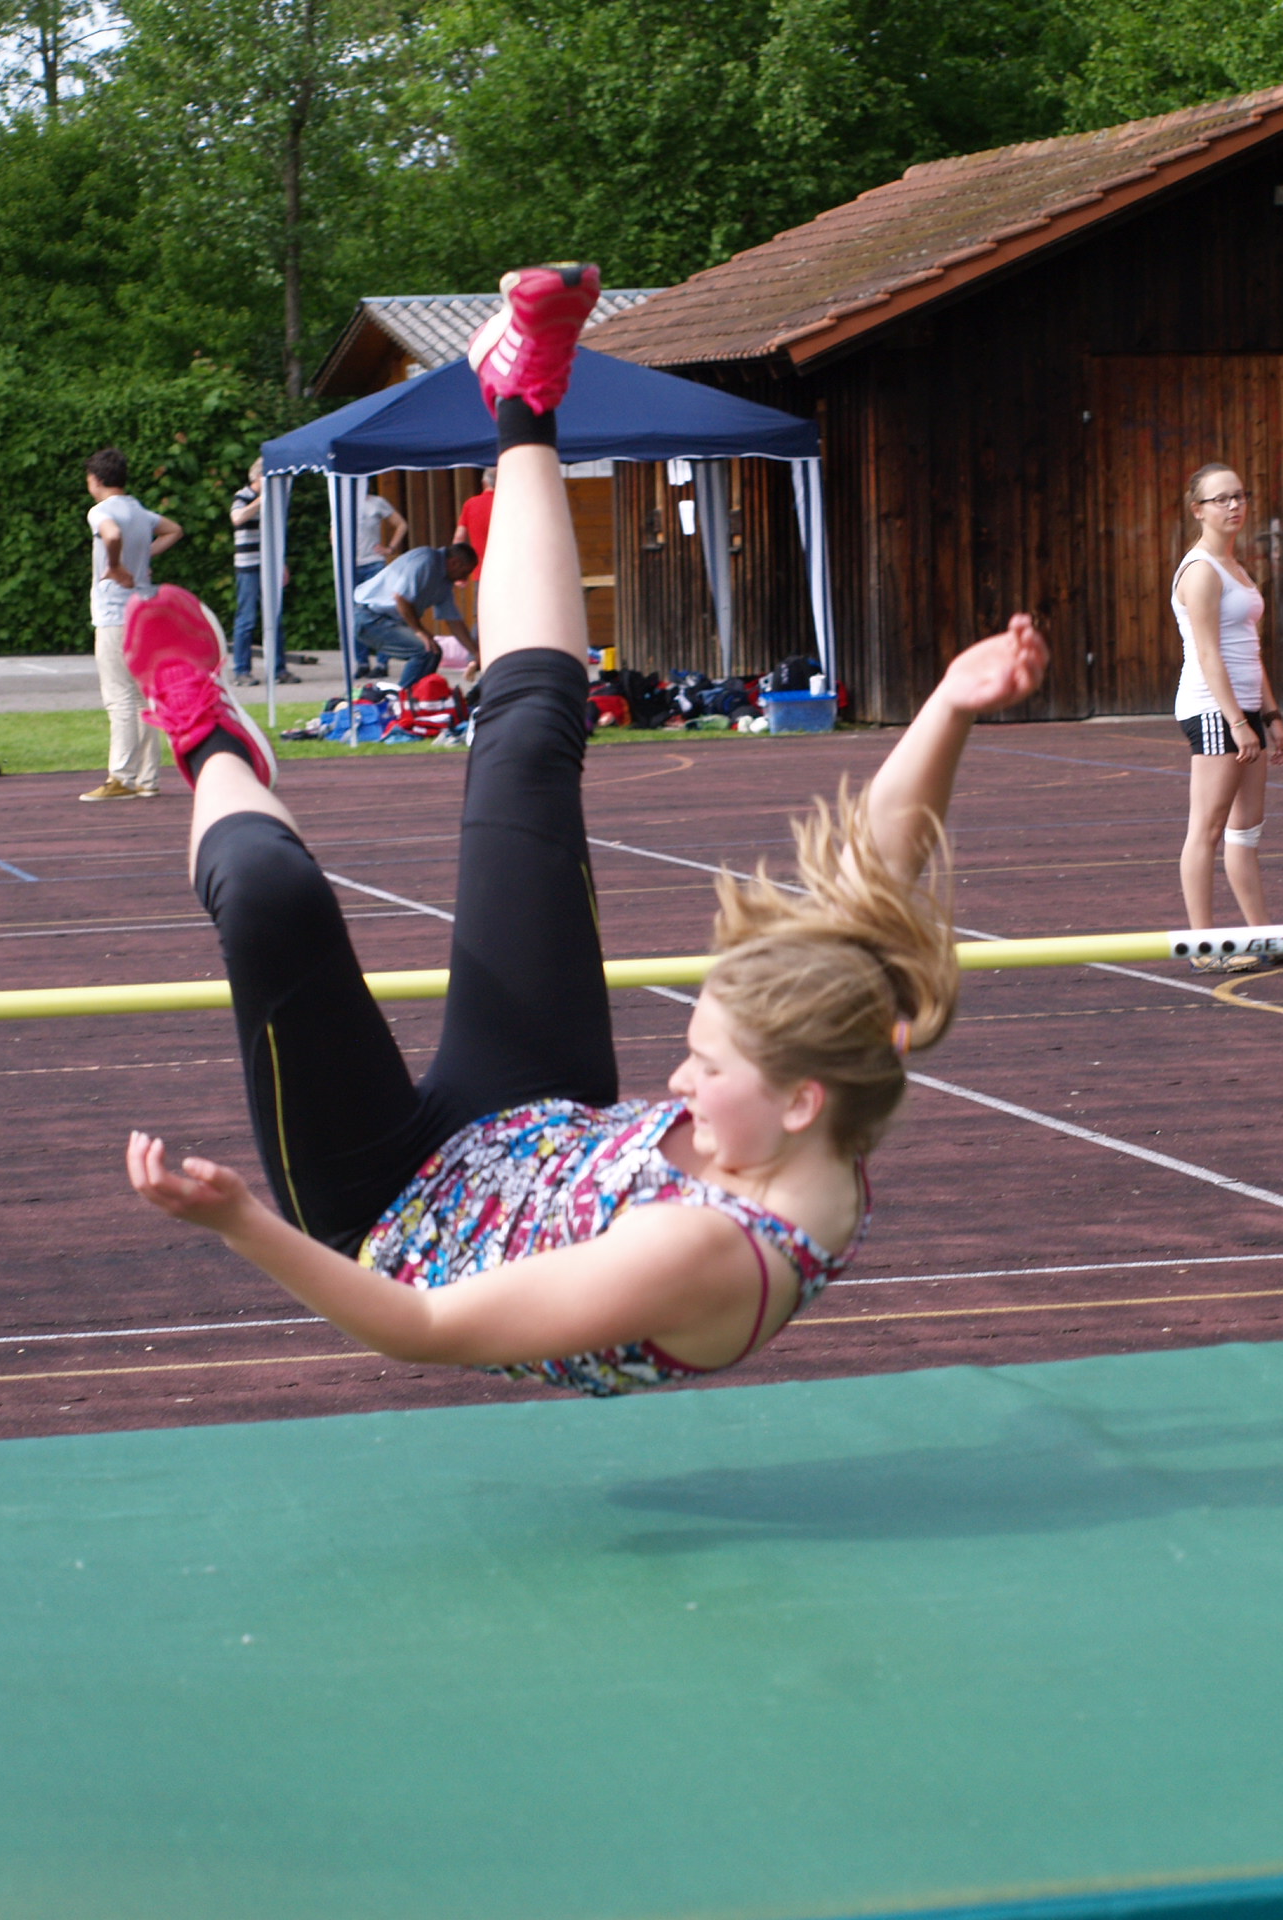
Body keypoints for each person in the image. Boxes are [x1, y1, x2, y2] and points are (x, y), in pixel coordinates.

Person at [123, 263, 1050, 1396]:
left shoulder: (704, 1248)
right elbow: (879, 874)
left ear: (797, 1101)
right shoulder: (838, 1080)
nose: (675, 1078)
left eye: (706, 1065)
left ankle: (207, 740)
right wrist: (951, 705)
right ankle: (523, 396)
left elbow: (421, 1325)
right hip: (534, 1122)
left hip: (389, 1214)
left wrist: (240, 1220)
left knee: (272, 897)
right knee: (529, 747)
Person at [1170, 462, 1283, 969]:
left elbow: (1248, 649)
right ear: (1198, 510)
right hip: (1212, 709)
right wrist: (1237, 722)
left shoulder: (1235, 566)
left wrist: (1270, 714)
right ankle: (1203, 947)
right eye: (1221, 499)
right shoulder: (1201, 570)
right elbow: (1208, 654)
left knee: (1245, 831)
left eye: (1239, 495)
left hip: (1245, 708)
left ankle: (1265, 937)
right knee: (1208, 828)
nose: (1234, 505)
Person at [81, 447, 183, 802]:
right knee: (143, 696)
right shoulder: (139, 510)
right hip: (143, 610)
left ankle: (121, 776)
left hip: (114, 613)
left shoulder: (101, 511)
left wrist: (115, 565)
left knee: (120, 697)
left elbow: (110, 535)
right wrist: (142, 556)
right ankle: (147, 778)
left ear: (96, 480)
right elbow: (173, 530)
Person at [352, 545, 474, 690]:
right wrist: (419, 631)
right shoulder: (426, 560)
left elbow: (454, 621)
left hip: (384, 618)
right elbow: (401, 598)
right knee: (424, 650)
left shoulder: (445, 581)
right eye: (465, 572)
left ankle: (421, 696)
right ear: (454, 563)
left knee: (433, 651)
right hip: (368, 616)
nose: (464, 578)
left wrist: (475, 652)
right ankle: (404, 698)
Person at [228, 458, 295, 688]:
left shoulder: (274, 500)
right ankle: (241, 670)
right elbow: (237, 518)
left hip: (270, 564)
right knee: (246, 619)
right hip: (248, 566)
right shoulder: (242, 496)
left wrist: (281, 563)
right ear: (258, 476)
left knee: (275, 617)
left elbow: (276, 532)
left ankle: (279, 669)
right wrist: (262, 500)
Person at [354, 485, 407, 587]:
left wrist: (390, 548)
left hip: (373, 562)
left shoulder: (377, 502)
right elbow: (334, 532)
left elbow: (401, 525)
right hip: (349, 564)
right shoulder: (343, 503)